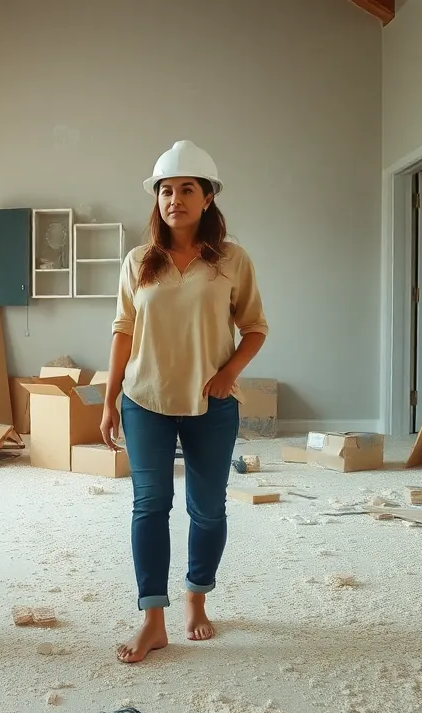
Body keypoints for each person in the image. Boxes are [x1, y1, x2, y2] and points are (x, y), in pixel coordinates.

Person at [100, 140, 269, 664]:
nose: (176, 198)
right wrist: (108, 401)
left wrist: (228, 375)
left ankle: (197, 600)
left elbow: (255, 328)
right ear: (157, 199)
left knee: (207, 507)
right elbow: (123, 331)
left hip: (210, 404)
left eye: (187, 189)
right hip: (145, 399)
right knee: (150, 505)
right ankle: (153, 619)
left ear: (207, 198)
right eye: (166, 190)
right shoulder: (137, 262)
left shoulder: (231, 261)